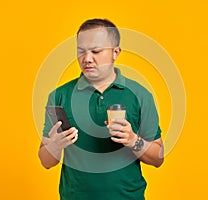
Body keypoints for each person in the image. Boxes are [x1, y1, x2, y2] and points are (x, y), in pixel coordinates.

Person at [38, 18, 164, 200]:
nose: (87, 59)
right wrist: (55, 146)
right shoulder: (60, 95)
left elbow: (158, 158)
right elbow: (45, 161)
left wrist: (133, 139)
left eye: (96, 51)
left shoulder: (140, 95)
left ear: (115, 52)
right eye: (81, 51)